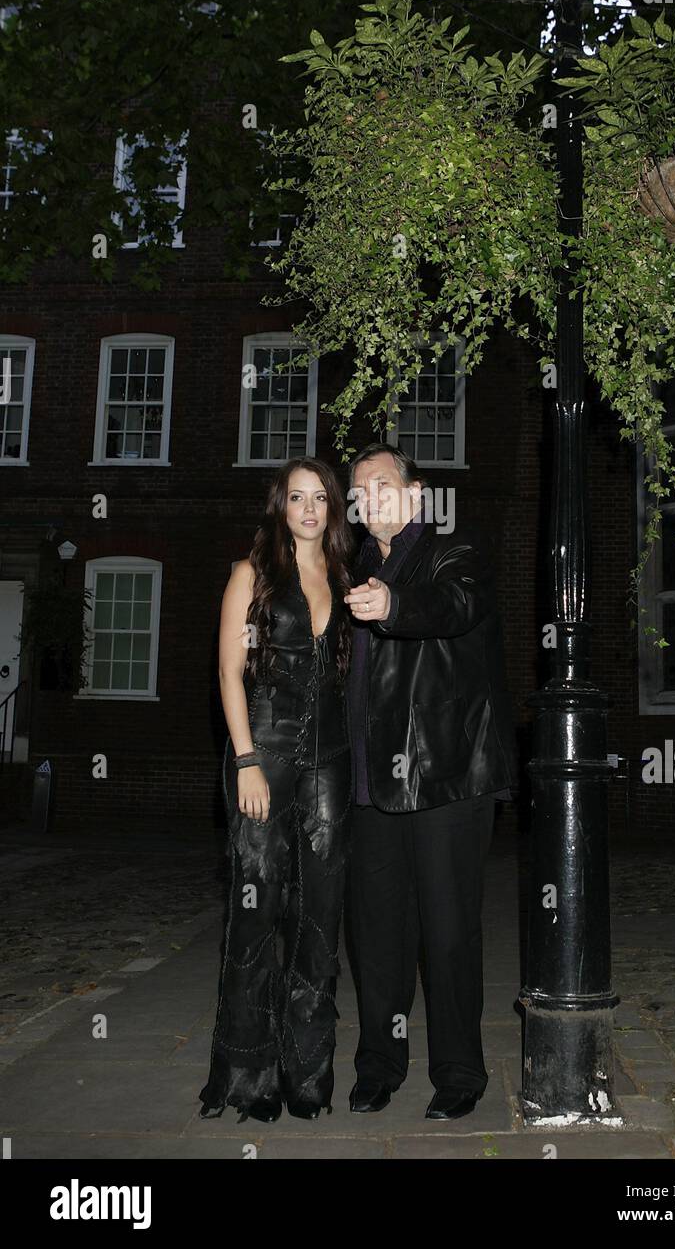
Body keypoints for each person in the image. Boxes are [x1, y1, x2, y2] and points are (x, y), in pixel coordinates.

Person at [344, 442, 518, 1120]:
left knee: (447, 934)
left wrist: (393, 602)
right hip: (368, 786)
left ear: (415, 495)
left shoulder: (454, 546)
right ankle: (380, 1066)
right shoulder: (355, 562)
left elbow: (454, 606)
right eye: (358, 491)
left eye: (382, 485)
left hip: (442, 777)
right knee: (378, 937)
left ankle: (458, 1074)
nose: (368, 499)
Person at [199, 457, 353, 1123]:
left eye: (321, 498)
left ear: (332, 509)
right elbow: (230, 673)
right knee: (255, 914)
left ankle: (309, 1079)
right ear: (280, 506)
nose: (310, 508)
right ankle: (245, 1078)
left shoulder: (347, 577)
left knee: (318, 921)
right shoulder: (252, 574)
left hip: (330, 763)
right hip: (264, 752)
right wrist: (245, 761)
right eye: (299, 497)